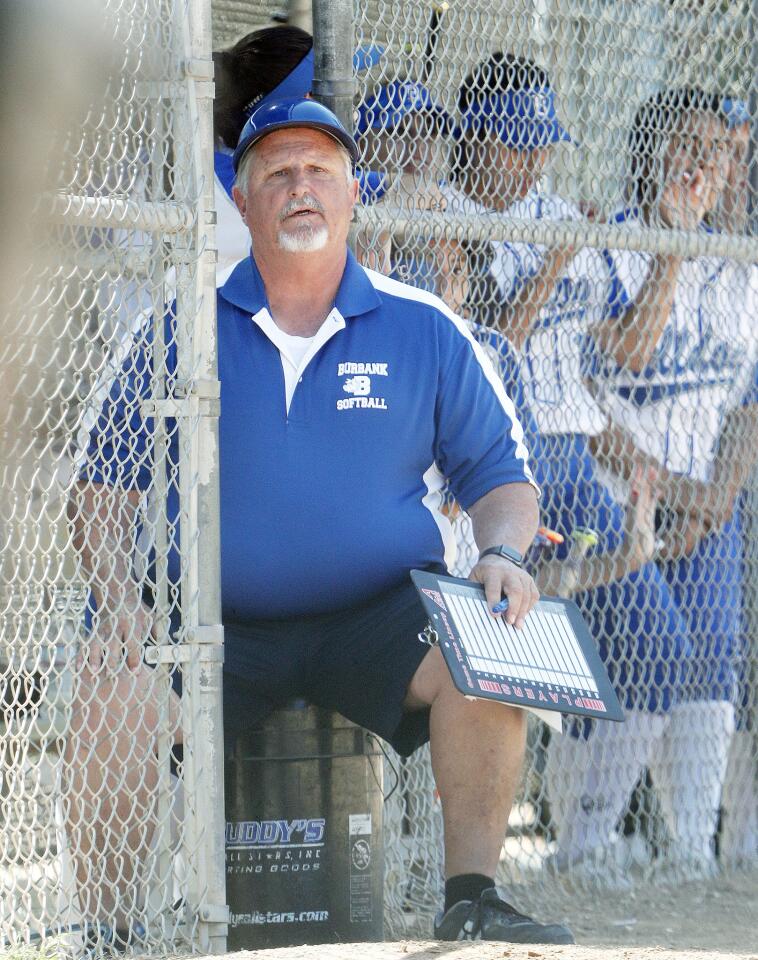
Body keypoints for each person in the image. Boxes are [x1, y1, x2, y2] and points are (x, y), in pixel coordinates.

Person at [70, 96, 575, 944]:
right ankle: (112, 935)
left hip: (376, 615)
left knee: (492, 632)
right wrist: (120, 603)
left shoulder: (423, 327)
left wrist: (502, 553)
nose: (300, 188)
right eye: (276, 173)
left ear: (351, 196)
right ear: (243, 201)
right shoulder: (177, 322)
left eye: (319, 172)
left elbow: (500, 477)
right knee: (109, 674)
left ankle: (473, 897)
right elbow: (100, 487)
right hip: (208, 619)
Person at [441, 54, 692, 883]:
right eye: (517, 146)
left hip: (575, 453)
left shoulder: (555, 209)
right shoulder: (447, 222)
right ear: (471, 139)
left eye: (543, 145)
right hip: (495, 468)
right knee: (498, 659)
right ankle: (461, 853)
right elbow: (488, 352)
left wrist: (670, 252)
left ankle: (579, 847)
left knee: (651, 638)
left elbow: (622, 348)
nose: (536, 162)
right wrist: (552, 261)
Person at [588, 87, 758, 877]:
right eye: (688, 145)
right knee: (632, 658)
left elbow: (747, 406)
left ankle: (691, 849)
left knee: (710, 656)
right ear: (652, 151)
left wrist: (716, 498)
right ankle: (582, 844)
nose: (706, 164)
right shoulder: (614, 244)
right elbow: (594, 393)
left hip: (704, 500)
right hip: (618, 492)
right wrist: (668, 496)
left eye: (720, 151)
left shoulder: (742, 266)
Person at [212, 26, 383, 284]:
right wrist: (391, 185)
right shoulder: (219, 177)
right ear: (303, 104)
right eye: (337, 95)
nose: (352, 108)